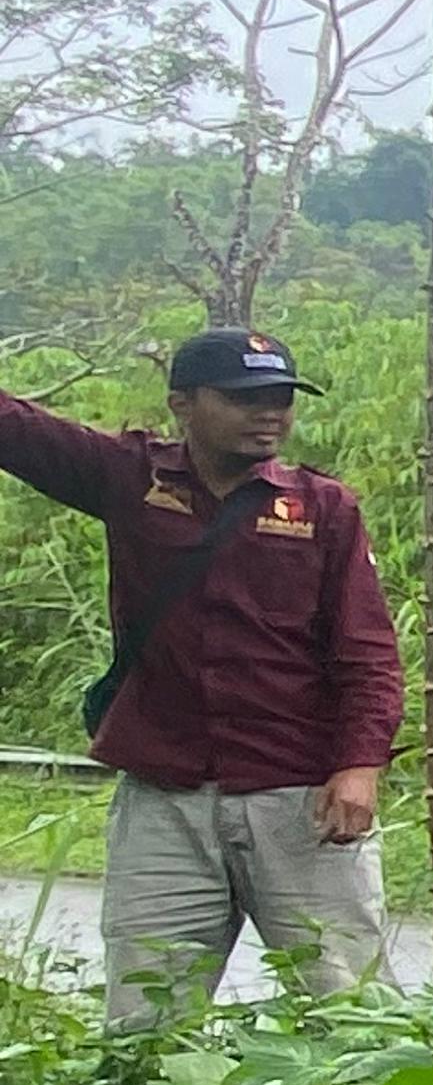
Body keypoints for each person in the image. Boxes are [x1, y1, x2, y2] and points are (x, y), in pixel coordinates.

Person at [0, 329, 399, 1021]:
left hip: (298, 795)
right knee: (144, 1019)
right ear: (182, 404)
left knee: (353, 1009)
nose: (269, 414)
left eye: (280, 399)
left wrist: (359, 765)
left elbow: (367, 651)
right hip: (165, 797)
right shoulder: (131, 478)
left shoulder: (324, 507)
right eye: (245, 398)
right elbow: (20, 430)